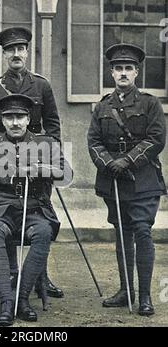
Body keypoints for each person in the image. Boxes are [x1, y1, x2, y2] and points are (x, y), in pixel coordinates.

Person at [0, 94, 72, 326]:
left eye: (20, 117)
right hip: (0, 211)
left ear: (28, 118)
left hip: (35, 211)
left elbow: (66, 173)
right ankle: (6, 301)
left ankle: (22, 299)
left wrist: (41, 169)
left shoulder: (46, 144)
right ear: (2, 120)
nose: (15, 122)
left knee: (43, 233)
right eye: (9, 117)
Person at [0, 26, 64, 298]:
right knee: (9, 209)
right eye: (10, 50)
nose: (16, 54)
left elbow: (53, 125)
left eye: (20, 49)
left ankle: (41, 277)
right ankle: (12, 274)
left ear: (27, 52)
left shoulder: (42, 85)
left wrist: (49, 157)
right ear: (4, 54)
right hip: (4, 156)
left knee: (38, 211)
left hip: (37, 155)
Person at [87, 43, 166, 316]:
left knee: (142, 231)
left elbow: (156, 139)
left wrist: (128, 160)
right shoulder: (102, 107)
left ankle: (145, 297)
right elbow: (94, 141)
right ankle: (126, 290)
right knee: (122, 233)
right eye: (118, 68)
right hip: (114, 180)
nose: (123, 73)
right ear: (111, 73)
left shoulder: (150, 103)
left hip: (143, 179)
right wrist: (110, 163)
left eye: (128, 68)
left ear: (136, 73)